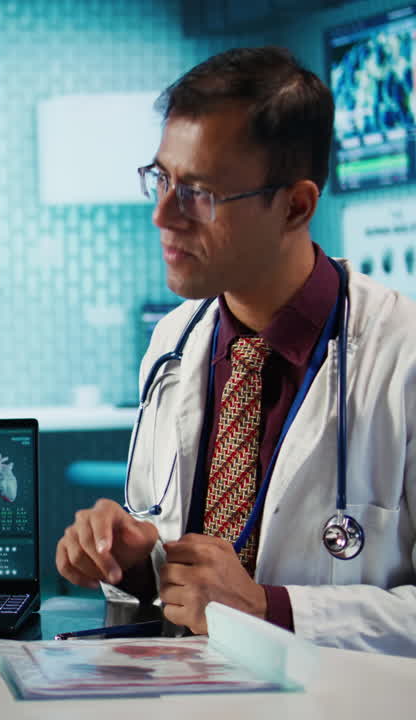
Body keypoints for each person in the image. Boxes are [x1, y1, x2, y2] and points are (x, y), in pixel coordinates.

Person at [55, 47, 416, 656]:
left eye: (199, 192)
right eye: (161, 179)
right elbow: (185, 579)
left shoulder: (401, 358)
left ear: (296, 205)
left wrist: (272, 610)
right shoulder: (173, 343)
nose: (162, 215)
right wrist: (138, 564)